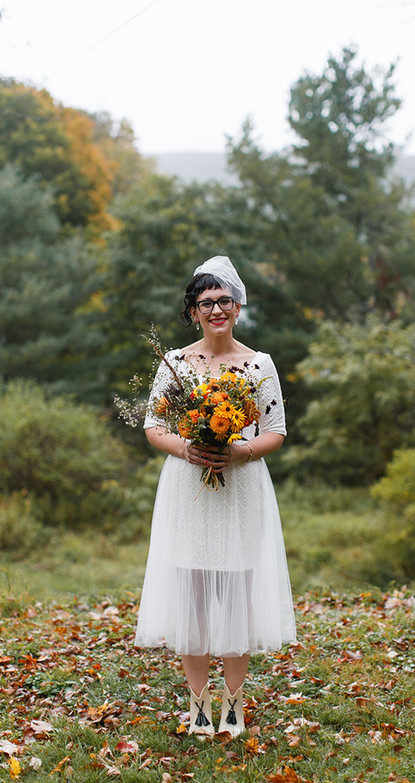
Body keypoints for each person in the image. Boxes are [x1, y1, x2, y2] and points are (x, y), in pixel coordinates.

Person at [135, 256, 296, 737]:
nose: (216, 309)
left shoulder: (258, 364)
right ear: (192, 312)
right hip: (188, 485)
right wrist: (189, 448)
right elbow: (153, 425)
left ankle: (234, 705)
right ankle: (198, 706)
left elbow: (276, 431)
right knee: (194, 594)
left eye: (224, 300)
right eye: (205, 302)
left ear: (238, 306)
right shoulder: (175, 364)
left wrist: (239, 451)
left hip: (241, 487)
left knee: (239, 594)